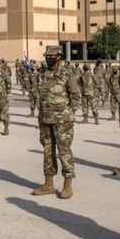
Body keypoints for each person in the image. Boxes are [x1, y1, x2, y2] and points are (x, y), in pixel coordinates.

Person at [32, 45, 80, 199]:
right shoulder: (42, 74)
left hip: (62, 121)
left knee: (64, 150)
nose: (49, 58)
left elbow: (75, 96)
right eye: (47, 55)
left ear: (59, 57)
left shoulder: (67, 74)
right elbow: (40, 96)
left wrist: (69, 114)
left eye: (52, 56)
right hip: (45, 118)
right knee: (47, 151)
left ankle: (68, 184)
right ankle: (49, 183)